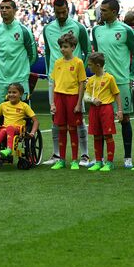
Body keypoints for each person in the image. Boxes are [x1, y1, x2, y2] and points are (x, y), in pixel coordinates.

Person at [91, 0, 134, 168]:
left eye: (104, 10)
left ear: (114, 12)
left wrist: (132, 76)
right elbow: (96, 54)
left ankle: (127, 157)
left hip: (121, 81)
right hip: (102, 83)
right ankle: (100, 159)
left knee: (124, 118)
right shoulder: (96, 30)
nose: (101, 13)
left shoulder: (126, 30)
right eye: (101, 10)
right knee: (100, 120)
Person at [42, 0, 91, 167]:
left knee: (78, 119)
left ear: (68, 9)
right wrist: (50, 73)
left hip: (73, 81)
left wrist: (79, 71)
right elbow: (48, 52)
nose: (61, 15)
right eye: (58, 12)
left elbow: (88, 51)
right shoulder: (47, 28)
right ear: (53, 11)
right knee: (55, 117)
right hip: (55, 79)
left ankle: (84, 155)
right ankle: (57, 155)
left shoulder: (78, 27)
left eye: (64, 12)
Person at [0, 0, 37, 108]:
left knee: (24, 117)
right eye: (2, 8)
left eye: (8, 7)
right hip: (2, 81)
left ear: (14, 10)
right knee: (0, 118)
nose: (4, 10)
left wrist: (23, 70)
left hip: (20, 79)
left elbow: (33, 55)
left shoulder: (24, 31)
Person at [49, 34, 87, 170]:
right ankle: (62, 159)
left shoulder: (78, 63)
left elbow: (82, 84)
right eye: (61, 47)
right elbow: (54, 83)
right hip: (59, 97)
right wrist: (53, 103)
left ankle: (75, 160)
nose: (62, 49)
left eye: (65, 47)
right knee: (61, 129)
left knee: (73, 129)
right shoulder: (57, 62)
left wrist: (78, 103)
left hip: (72, 98)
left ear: (73, 47)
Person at [85, 52, 123, 172]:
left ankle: (110, 162)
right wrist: (92, 99)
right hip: (93, 110)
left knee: (107, 135)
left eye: (90, 65)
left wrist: (120, 110)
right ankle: (98, 161)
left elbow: (116, 94)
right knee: (96, 135)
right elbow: (86, 95)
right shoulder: (90, 80)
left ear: (98, 65)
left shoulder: (109, 78)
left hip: (106, 109)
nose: (88, 67)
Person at [0, 83, 39, 159]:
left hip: (19, 129)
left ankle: (9, 150)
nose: (11, 94)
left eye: (14, 92)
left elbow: (36, 121)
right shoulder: (3, 105)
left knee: (9, 128)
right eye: (9, 92)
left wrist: (32, 133)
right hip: (5, 128)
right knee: (3, 130)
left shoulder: (24, 106)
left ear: (21, 94)